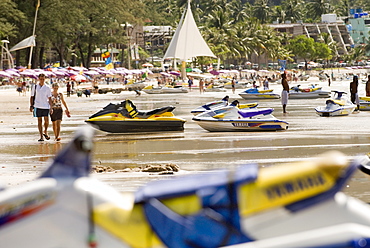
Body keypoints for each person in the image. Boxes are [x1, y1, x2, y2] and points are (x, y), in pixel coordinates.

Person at [30, 74, 53, 142]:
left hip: (46, 106)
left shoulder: (47, 87)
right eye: (41, 79)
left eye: (43, 79)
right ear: (38, 79)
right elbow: (32, 96)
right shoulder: (35, 86)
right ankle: (41, 136)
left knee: (46, 120)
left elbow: (50, 98)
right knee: (39, 121)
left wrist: (51, 107)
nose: (42, 80)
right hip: (37, 105)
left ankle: (45, 131)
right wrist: (31, 106)